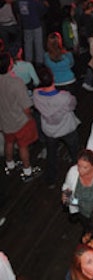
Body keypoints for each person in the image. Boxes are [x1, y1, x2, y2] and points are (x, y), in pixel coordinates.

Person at [33, 66, 80, 187]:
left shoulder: (36, 94)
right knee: (75, 152)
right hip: (66, 128)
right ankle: (80, 175)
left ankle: (51, 179)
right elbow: (72, 105)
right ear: (53, 78)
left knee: (51, 154)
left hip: (49, 130)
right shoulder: (64, 96)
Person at [0, 51, 41, 182]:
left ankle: (10, 165)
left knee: (9, 142)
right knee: (23, 146)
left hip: (4, 120)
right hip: (19, 120)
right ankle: (27, 171)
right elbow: (26, 106)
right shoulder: (16, 82)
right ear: (9, 65)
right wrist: (30, 117)